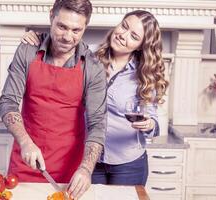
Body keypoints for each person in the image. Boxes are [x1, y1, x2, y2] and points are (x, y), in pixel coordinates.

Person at [21, 10, 168, 186]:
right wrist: (38, 38)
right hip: (88, 161)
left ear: (141, 46)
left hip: (128, 163)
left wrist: (150, 124)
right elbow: (61, 43)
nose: (123, 35)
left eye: (133, 36)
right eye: (124, 26)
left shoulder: (144, 75)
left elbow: (154, 123)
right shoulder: (87, 54)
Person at [0, 0, 107, 199]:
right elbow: (8, 102)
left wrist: (86, 169)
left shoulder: (93, 67)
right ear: (51, 17)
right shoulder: (27, 51)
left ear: (85, 27)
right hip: (26, 160)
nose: (67, 37)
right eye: (62, 26)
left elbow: (97, 123)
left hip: (71, 170)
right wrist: (25, 142)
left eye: (76, 30)